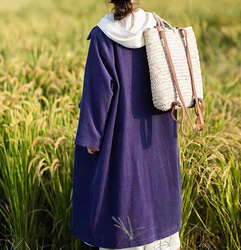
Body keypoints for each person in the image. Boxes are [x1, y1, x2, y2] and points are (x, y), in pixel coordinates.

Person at [72, 0, 182, 249]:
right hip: (158, 132)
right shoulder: (158, 26)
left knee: (124, 194)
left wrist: (91, 138)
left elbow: (98, 94)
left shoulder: (103, 35)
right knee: (158, 194)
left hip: (122, 135)